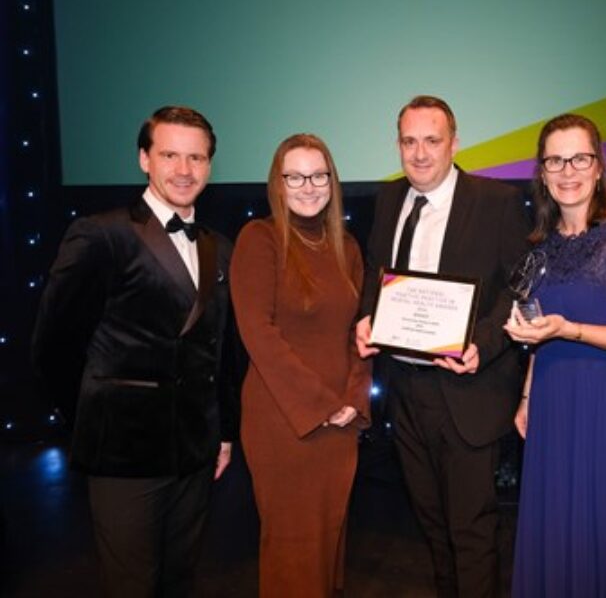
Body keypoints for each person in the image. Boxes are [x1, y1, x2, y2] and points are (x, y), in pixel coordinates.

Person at [31, 105, 238, 597]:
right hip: (122, 454)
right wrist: (94, 416)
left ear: (209, 165)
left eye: (196, 157)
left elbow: (223, 351)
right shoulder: (101, 234)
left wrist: (223, 432)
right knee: (131, 586)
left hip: (194, 450)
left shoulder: (220, 246)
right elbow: (52, 345)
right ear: (144, 159)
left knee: (178, 580)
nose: (184, 170)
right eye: (170, 155)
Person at [355, 95, 530, 597]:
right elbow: (374, 271)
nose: (420, 153)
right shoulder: (389, 200)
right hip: (405, 392)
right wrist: (365, 316)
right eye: (409, 142)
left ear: (454, 143)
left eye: (432, 140)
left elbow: (520, 287)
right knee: (431, 526)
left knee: (471, 531)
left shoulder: (495, 201)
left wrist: (484, 343)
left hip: (467, 390)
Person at [504, 113, 606, 597]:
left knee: (602, 536)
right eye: (555, 160)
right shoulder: (546, 245)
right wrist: (528, 395)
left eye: (579, 158)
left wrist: (570, 329)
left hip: (603, 406)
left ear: (599, 167)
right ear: (543, 171)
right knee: (553, 531)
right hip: (552, 401)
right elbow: (542, 328)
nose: (567, 170)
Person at [229, 134, 371, 597]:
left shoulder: (346, 246)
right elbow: (258, 334)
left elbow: (359, 333)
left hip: (340, 423)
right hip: (285, 422)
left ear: (332, 181)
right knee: (294, 552)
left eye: (318, 175)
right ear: (278, 182)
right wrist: (320, 405)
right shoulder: (260, 239)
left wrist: (352, 400)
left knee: (329, 545)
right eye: (295, 176)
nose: (308, 186)